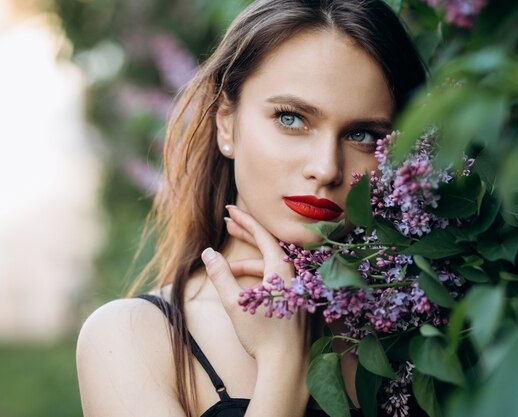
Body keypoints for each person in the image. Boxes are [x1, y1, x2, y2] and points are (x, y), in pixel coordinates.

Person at [76, 0, 427, 416]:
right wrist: (282, 363)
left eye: (363, 135)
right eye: (292, 119)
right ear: (227, 122)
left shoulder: (421, 333)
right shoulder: (131, 338)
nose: (326, 168)